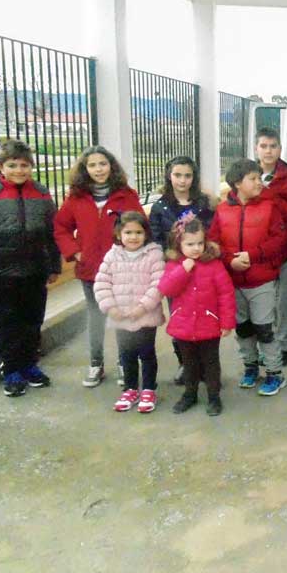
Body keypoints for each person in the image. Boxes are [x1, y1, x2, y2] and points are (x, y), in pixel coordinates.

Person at [0, 139, 61, 398]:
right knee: (7, 323)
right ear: (1, 167)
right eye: (13, 165)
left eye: (25, 165)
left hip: (34, 272)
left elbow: (53, 234)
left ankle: (30, 365)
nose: (19, 170)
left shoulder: (41, 194)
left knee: (32, 320)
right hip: (0, 275)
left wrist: (53, 265)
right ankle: (11, 370)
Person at [54, 145, 144, 388]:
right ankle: (96, 363)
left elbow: (140, 227)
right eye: (92, 165)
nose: (98, 169)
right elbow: (61, 227)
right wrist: (75, 252)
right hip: (91, 270)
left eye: (102, 164)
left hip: (122, 270)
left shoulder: (126, 195)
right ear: (85, 169)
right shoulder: (76, 197)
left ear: (111, 166)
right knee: (96, 317)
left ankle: (125, 364)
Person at [208, 158, 287, 396]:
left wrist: (252, 255)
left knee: (264, 329)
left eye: (259, 177)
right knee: (242, 329)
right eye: (252, 179)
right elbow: (213, 243)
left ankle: (275, 373)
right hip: (232, 283)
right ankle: (250, 367)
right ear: (236, 183)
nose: (258, 182)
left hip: (261, 280)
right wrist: (229, 259)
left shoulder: (269, 207)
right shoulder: (222, 210)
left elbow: (278, 240)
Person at [148, 155, 215, 385]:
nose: (182, 180)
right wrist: (172, 254)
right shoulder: (160, 206)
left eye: (187, 175)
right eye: (177, 175)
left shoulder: (203, 204)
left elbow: (212, 233)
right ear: (169, 175)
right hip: (176, 273)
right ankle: (185, 363)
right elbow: (155, 239)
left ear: (193, 177)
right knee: (180, 319)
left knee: (204, 318)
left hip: (203, 270)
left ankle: (206, 366)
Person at [159, 216, 236, 416]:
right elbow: (167, 289)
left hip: (209, 325)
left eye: (200, 243)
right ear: (179, 244)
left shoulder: (214, 265)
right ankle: (189, 394)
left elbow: (226, 294)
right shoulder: (174, 265)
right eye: (190, 244)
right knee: (189, 364)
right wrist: (182, 271)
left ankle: (214, 397)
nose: (196, 248)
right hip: (183, 327)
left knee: (211, 364)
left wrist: (227, 322)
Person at [93, 211, 166, 413]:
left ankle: (149, 389)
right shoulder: (112, 255)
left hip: (146, 316)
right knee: (126, 355)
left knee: (147, 354)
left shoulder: (154, 254)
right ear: (118, 234)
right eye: (128, 232)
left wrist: (142, 307)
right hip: (120, 317)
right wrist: (110, 307)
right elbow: (101, 283)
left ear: (146, 234)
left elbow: (158, 285)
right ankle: (130, 388)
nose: (133, 237)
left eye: (138, 232)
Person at [255, 128, 287, 365]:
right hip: (257, 252)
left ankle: (286, 346)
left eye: (273, 146)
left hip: (284, 251)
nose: (268, 151)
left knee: (283, 302)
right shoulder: (248, 174)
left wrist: (272, 199)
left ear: (280, 149)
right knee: (259, 303)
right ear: (256, 148)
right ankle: (262, 348)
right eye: (264, 146)